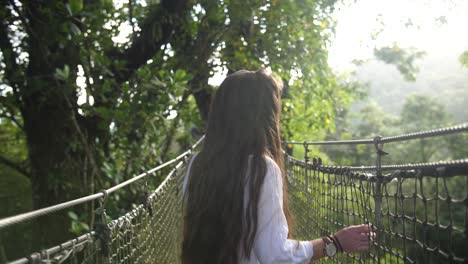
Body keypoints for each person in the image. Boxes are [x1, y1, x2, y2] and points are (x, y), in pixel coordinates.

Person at [182, 69, 375, 264]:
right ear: (264, 115)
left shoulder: (197, 164)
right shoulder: (261, 168)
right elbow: (275, 255)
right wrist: (336, 242)